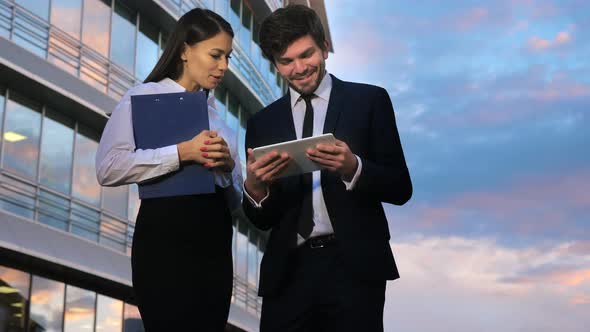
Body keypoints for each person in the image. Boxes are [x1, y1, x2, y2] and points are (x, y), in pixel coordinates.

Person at [242, 5, 412, 332]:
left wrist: (354, 168)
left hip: (355, 268)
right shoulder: (262, 123)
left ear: (323, 47)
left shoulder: (369, 102)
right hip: (288, 272)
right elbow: (263, 219)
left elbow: (401, 187)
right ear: (274, 64)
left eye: (306, 54)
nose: (299, 68)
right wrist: (255, 188)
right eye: (286, 61)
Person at [95, 8, 240, 331]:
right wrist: (182, 152)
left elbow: (236, 202)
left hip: (215, 243)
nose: (223, 67)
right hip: (164, 239)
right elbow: (107, 168)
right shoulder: (141, 97)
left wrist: (227, 169)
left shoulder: (222, 123)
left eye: (227, 57)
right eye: (216, 55)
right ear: (186, 50)